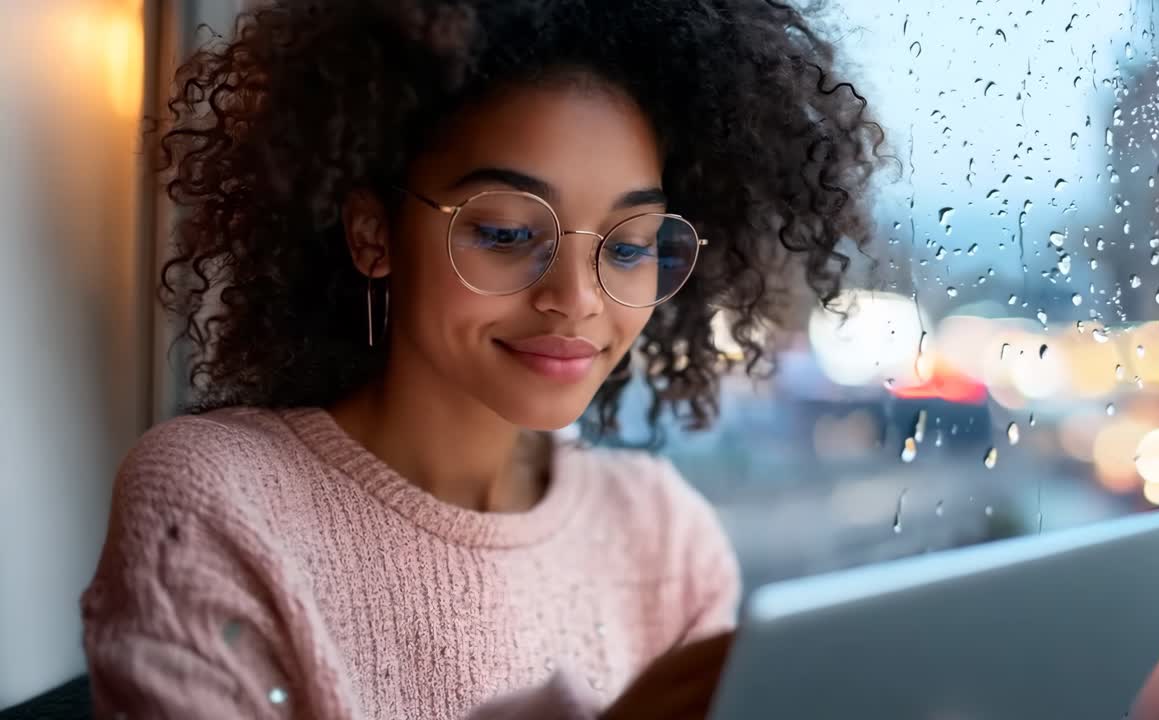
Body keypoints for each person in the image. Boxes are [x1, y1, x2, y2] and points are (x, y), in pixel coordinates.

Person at [79, 0, 882, 717]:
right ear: (373, 234)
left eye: (631, 247)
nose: (578, 297)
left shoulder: (663, 537)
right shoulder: (215, 504)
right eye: (505, 233)